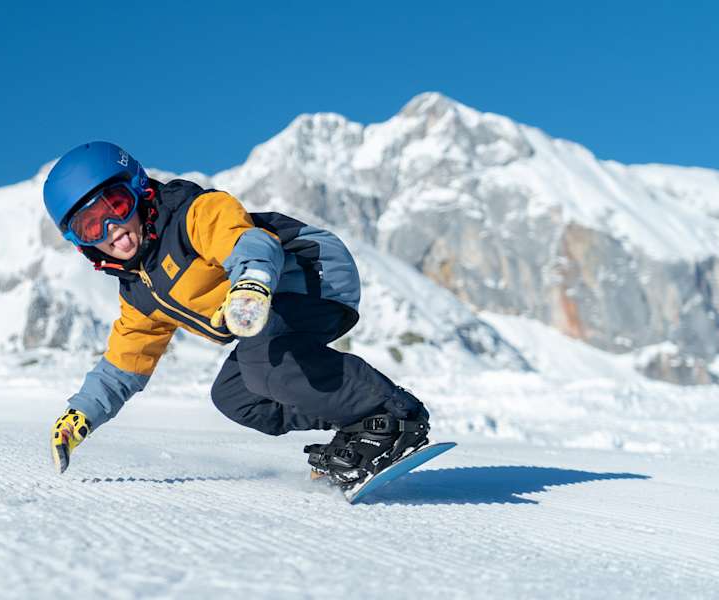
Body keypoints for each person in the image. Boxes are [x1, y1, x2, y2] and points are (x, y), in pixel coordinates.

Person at [42, 141, 431, 490]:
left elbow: (248, 241)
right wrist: (81, 415)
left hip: (309, 273)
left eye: (116, 207)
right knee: (235, 396)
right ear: (81, 244)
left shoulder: (190, 215)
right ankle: (360, 424)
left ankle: (394, 414)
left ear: (139, 189)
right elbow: (126, 361)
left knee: (264, 363)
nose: (112, 229)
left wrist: (252, 282)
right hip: (266, 308)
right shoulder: (138, 290)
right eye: (91, 226)